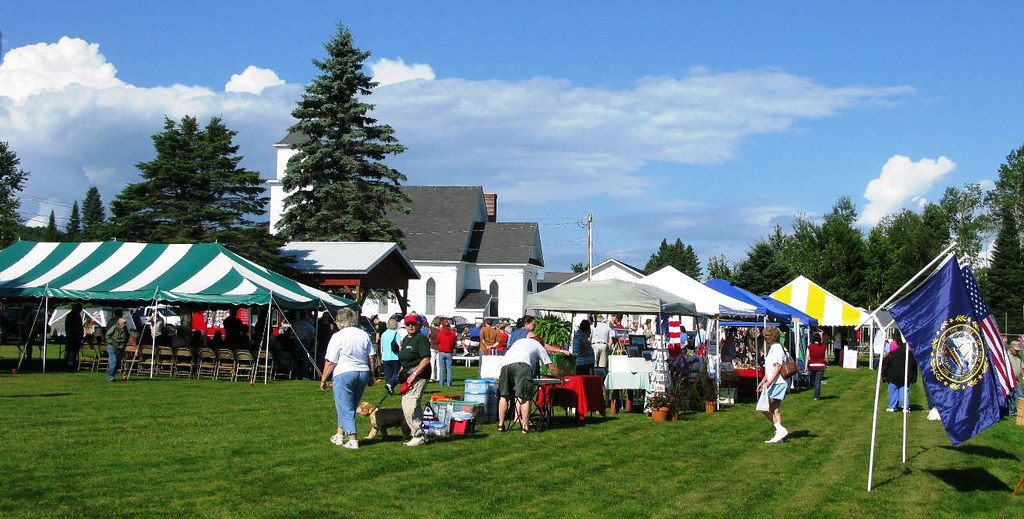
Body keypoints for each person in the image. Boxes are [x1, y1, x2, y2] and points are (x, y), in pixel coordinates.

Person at [319, 308, 375, 450]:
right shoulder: (363, 334)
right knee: (349, 406)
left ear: (339, 321)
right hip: (362, 372)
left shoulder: (337, 336)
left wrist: (323, 379)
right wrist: (372, 374)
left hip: (344, 372)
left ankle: (352, 439)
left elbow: (331, 361)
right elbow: (371, 356)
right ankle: (339, 435)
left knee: (345, 407)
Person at [496, 335, 562, 433]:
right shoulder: (539, 346)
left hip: (505, 366)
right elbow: (551, 367)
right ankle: (525, 427)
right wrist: (561, 378)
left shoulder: (519, 341)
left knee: (504, 396)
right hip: (522, 366)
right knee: (525, 397)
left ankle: (501, 425)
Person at [399, 315, 432, 447]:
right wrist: (401, 373)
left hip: (419, 373)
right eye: (408, 324)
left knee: (409, 402)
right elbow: (404, 359)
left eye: (413, 324)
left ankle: (417, 434)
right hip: (408, 373)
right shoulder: (406, 339)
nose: (411, 326)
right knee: (414, 404)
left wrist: (414, 374)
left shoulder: (421, 338)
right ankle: (421, 434)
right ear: (405, 325)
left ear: (418, 325)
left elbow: (426, 358)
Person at [757, 326, 790, 443]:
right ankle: (780, 436)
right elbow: (770, 370)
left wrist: (769, 382)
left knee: (763, 407)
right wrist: (762, 382)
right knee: (775, 409)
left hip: (778, 383)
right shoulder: (774, 347)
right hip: (776, 382)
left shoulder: (776, 348)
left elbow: (778, 366)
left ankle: (780, 430)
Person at [881, 338, 917, 413]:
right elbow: (914, 367)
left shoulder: (892, 354)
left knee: (893, 391)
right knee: (904, 392)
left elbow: (885, 365)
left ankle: (892, 406)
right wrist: (914, 377)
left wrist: (883, 374)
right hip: (905, 376)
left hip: (892, 376)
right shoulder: (910, 355)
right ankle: (905, 407)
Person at [105, 315, 129, 381]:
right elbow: (107, 335)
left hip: (121, 348)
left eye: (125, 323)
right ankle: (110, 376)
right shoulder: (114, 328)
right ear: (119, 324)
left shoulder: (126, 330)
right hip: (112, 347)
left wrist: (124, 344)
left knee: (118, 363)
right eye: (124, 323)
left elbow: (127, 337)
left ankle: (113, 375)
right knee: (113, 361)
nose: (125, 324)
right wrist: (112, 342)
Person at [807, 331, 828, 401]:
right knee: (818, 381)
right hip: (821, 365)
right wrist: (826, 364)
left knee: (814, 380)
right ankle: (816, 396)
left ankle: (816, 392)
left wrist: (806, 367)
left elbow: (807, 357)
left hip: (812, 365)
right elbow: (826, 357)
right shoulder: (824, 347)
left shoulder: (809, 347)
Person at [436, 319, 457, 387]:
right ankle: (449, 384)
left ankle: (441, 384)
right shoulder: (452, 334)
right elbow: (454, 343)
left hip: (442, 352)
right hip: (449, 352)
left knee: (441, 368)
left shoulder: (440, 333)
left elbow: (437, 341)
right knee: (449, 368)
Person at [65, 303, 85, 370]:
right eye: (80, 308)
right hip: (74, 337)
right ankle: (70, 363)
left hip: (70, 336)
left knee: (71, 350)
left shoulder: (69, 315)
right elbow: (77, 327)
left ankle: (69, 362)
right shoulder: (75, 315)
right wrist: (79, 336)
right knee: (73, 350)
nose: (81, 310)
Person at [1008, 341, 1023, 417]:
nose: (1017, 351)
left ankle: (1019, 412)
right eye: (1016, 350)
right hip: (1009, 380)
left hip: (1016, 380)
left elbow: (1022, 368)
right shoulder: (1006, 356)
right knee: (1010, 397)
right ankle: (1011, 412)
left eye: (1018, 350)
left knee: (1020, 396)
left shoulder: (1019, 356)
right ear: (1011, 348)